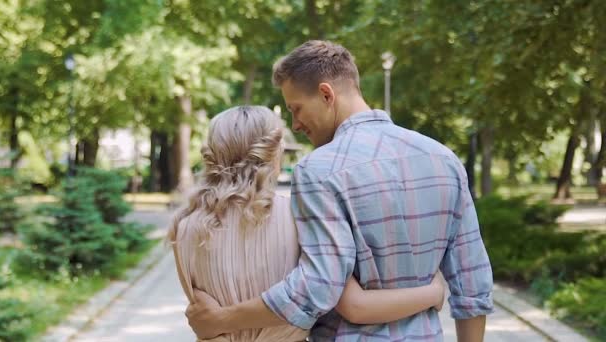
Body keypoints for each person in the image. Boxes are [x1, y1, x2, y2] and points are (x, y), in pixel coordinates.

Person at [185, 41, 494, 341]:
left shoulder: (319, 170)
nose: (295, 125)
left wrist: (223, 319)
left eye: (297, 109)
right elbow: (473, 284)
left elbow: (317, 287)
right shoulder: (443, 159)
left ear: (326, 94)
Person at [169, 105, 447, 342]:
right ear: (273, 152)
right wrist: (432, 292)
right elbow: (354, 305)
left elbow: (204, 316)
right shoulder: (299, 215)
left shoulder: (184, 227)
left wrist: (220, 321)